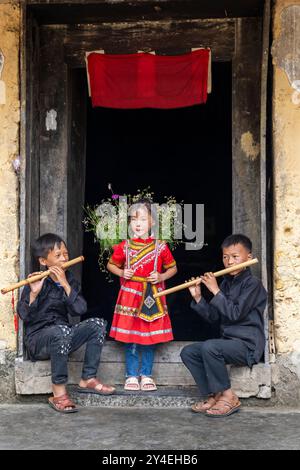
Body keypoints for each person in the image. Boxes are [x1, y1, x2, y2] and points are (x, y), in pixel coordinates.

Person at [17, 233, 116, 413]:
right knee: (60, 331)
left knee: (98, 324)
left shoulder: (69, 279)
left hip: (63, 335)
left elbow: (79, 309)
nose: (64, 258)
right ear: (43, 261)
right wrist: (34, 293)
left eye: (66, 254)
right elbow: (25, 315)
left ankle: (88, 378)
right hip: (38, 342)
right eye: (58, 255)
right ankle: (58, 392)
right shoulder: (35, 281)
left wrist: (64, 284)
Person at [180, 234, 267, 417]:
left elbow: (235, 313)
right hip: (228, 344)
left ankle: (229, 397)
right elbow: (214, 317)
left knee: (211, 346)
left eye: (235, 257)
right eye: (225, 257)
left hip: (248, 346)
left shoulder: (254, 285)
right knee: (189, 352)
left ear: (248, 258)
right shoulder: (227, 284)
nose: (229, 262)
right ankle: (214, 394)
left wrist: (215, 290)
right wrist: (198, 297)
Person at [107, 199, 177, 391]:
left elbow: (173, 268)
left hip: (151, 297)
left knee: (149, 336)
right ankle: (131, 375)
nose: (138, 224)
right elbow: (111, 265)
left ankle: (146, 375)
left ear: (152, 222)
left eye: (143, 219)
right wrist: (121, 272)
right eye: (134, 219)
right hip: (130, 296)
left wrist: (161, 275)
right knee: (131, 337)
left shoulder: (160, 247)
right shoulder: (124, 247)